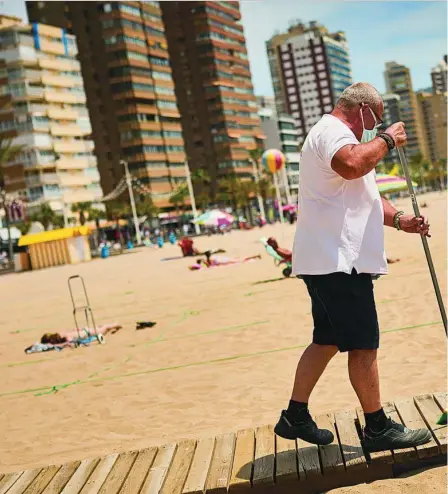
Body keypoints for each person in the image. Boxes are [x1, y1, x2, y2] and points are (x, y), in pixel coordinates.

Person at [274, 82, 432, 453]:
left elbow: (367, 195)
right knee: (363, 343)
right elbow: (351, 166)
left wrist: (401, 221)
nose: (374, 129)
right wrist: (388, 141)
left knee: (327, 339)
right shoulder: (332, 132)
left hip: (327, 259)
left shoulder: (345, 139)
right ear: (362, 110)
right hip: (338, 262)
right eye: (374, 121)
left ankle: (295, 415)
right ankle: (377, 427)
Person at [41, 323, 122, 345]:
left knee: (104, 329)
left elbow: (70, 341)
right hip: (84, 331)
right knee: (102, 330)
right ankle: (114, 326)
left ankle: (116, 325)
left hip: (87, 333)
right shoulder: (61, 334)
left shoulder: (64, 337)